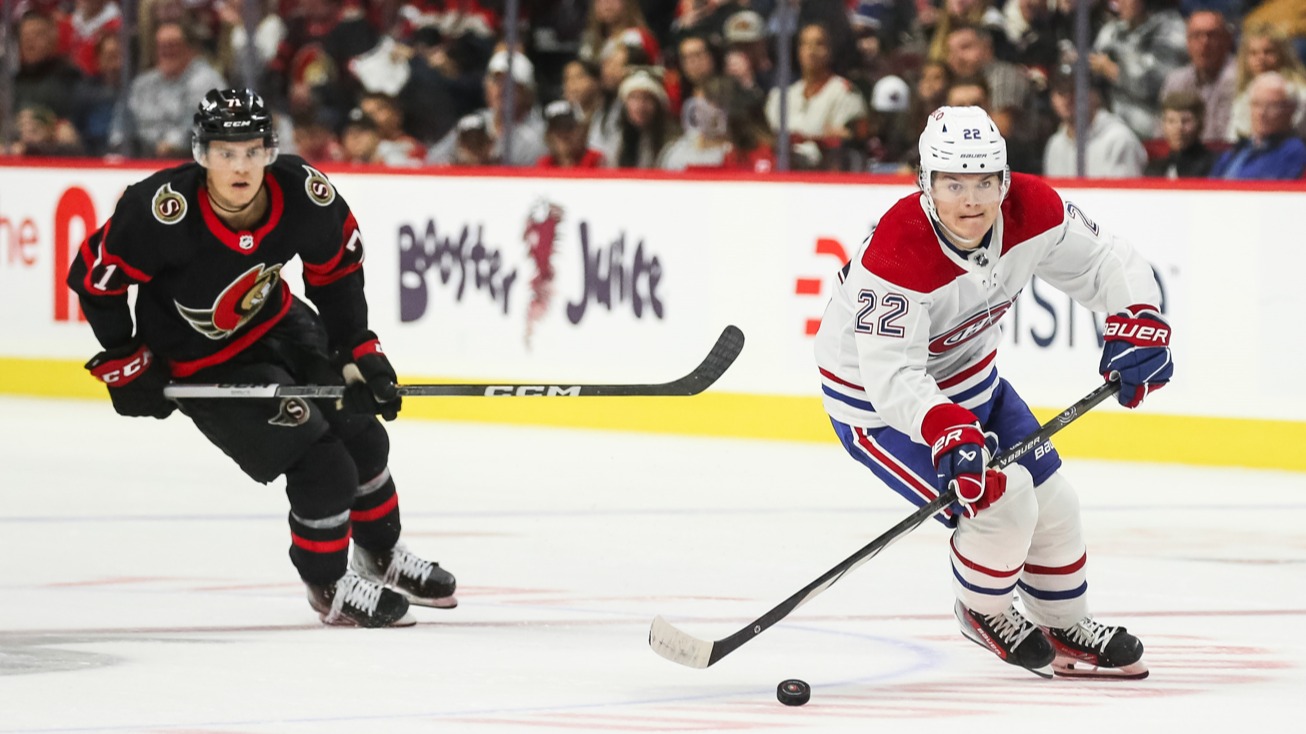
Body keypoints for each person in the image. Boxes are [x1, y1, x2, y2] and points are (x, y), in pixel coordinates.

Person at [65, 88, 457, 628]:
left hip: (278, 324)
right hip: (205, 365)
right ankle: (328, 584)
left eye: (251, 151)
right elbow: (94, 279)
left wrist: (358, 351)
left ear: (270, 151)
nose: (240, 166)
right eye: (226, 152)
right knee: (323, 464)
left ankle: (382, 556)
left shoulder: (304, 195)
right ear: (201, 155)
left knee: (362, 431)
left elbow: (337, 274)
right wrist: (128, 359)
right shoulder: (159, 211)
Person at [814, 106, 1171, 679]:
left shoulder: (1034, 208)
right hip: (881, 410)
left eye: (985, 181)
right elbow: (893, 379)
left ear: (1004, 180)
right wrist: (942, 427)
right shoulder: (895, 254)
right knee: (1001, 502)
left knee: (1055, 503)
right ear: (925, 184)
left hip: (977, 382)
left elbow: (1107, 260)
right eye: (954, 183)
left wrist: (1137, 316)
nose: (972, 200)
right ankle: (984, 610)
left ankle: (1066, 624)